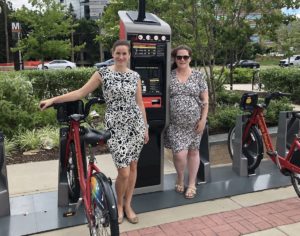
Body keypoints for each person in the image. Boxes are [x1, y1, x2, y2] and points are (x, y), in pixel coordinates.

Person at [39, 40, 149, 224]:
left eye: (125, 53)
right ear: (112, 54)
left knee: (133, 167)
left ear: (129, 55)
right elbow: (80, 93)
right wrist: (54, 100)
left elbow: (140, 103)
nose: (121, 57)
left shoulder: (135, 76)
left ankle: (128, 204)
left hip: (135, 125)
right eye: (118, 53)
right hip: (116, 125)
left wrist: (145, 127)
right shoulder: (103, 74)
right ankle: (119, 206)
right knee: (123, 172)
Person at [164, 45, 209, 199]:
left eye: (185, 57)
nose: (182, 60)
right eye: (179, 57)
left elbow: (205, 100)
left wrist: (203, 120)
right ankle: (180, 177)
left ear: (190, 58)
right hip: (176, 125)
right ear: (175, 59)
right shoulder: (169, 76)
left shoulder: (198, 76)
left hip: (195, 124)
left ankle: (191, 184)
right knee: (179, 154)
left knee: (194, 152)